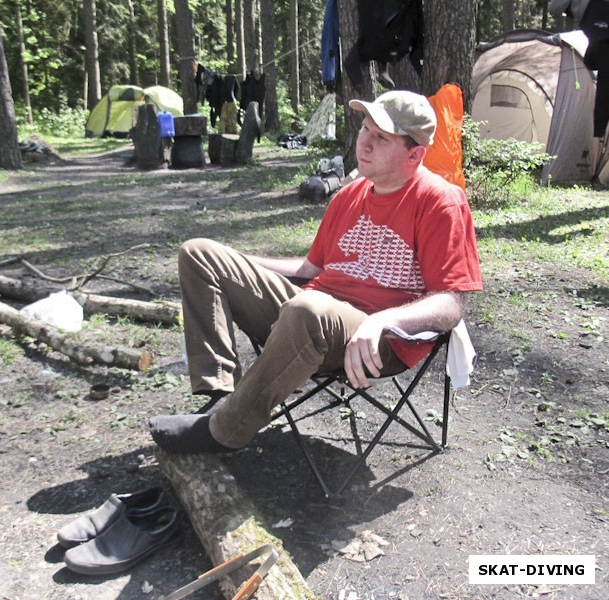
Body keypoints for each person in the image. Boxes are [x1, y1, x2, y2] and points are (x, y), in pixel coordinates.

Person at [149, 90, 483, 454]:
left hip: (376, 339)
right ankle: (219, 396)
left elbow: (451, 305)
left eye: (381, 138)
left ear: (414, 154)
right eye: (365, 130)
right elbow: (311, 268)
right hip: (310, 313)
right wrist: (236, 261)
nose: (365, 143)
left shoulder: (439, 201)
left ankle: (225, 431)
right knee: (200, 253)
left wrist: (380, 322)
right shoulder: (349, 196)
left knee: (307, 308)